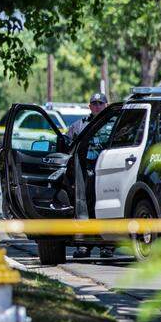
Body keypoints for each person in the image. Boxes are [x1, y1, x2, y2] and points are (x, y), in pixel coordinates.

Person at [66, 91, 109, 259]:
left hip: (109, 171)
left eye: (100, 103)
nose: (97, 106)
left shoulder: (115, 123)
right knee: (84, 209)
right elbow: (65, 141)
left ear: (106, 105)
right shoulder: (79, 125)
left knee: (106, 208)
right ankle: (85, 246)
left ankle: (107, 246)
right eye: (94, 103)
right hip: (85, 172)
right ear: (89, 106)